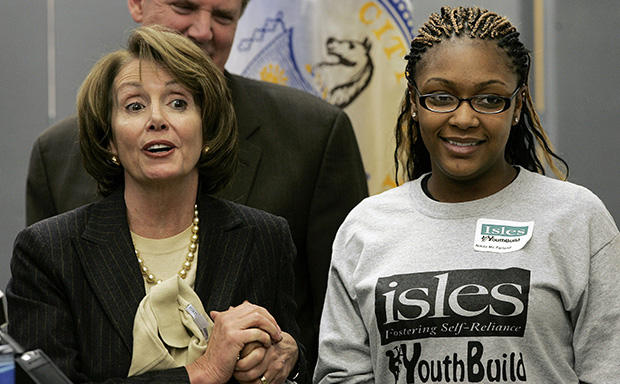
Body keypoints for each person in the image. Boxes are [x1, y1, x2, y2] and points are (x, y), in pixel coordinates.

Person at [25, 0, 369, 371]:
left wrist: (287, 360)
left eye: (222, 16)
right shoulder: (55, 162)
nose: (203, 31)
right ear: (107, 137)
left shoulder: (312, 137)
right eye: (184, 6)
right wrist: (202, 373)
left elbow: (341, 326)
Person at [314, 6, 620, 383]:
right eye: (441, 97)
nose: (463, 118)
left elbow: (608, 369)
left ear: (518, 104)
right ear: (413, 101)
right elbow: (341, 375)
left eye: (489, 99)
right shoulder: (366, 226)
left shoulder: (578, 218)